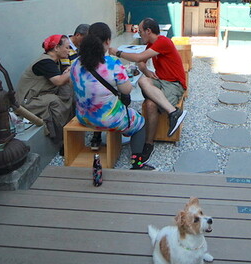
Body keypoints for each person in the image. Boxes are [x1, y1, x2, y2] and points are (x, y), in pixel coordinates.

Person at [69, 22, 154, 170]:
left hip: (83, 117)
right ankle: (137, 162)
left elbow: (74, 84)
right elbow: (126, 90)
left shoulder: (76, 63)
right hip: (108, 119)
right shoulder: (112, 63)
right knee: (139, 121)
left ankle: (96, 140)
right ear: (108, 41)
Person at [109, 18, 187, 160]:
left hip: (174, 84)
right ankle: (172, 113)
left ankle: (151, 140)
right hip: (161, 81)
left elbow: (138, 57)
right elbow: (141, 62)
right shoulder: (151, 44)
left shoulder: (163, 41)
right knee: (143, 80)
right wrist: (146, 71)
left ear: (148, 31)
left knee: (151, 104)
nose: (139, 34)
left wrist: (117, 53)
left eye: (140, 31)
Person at [16, 34, 75, 147]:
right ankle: (61, 139)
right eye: (67, 47)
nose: (69, 51)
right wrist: (74, 68)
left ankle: (69, 130)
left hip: (43, 94)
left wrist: (67, 72)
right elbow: (58, 81)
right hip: (29, 100)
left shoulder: (55, 61)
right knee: (54, 101)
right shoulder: (45, 62)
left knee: (69, 89)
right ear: (56, 48)